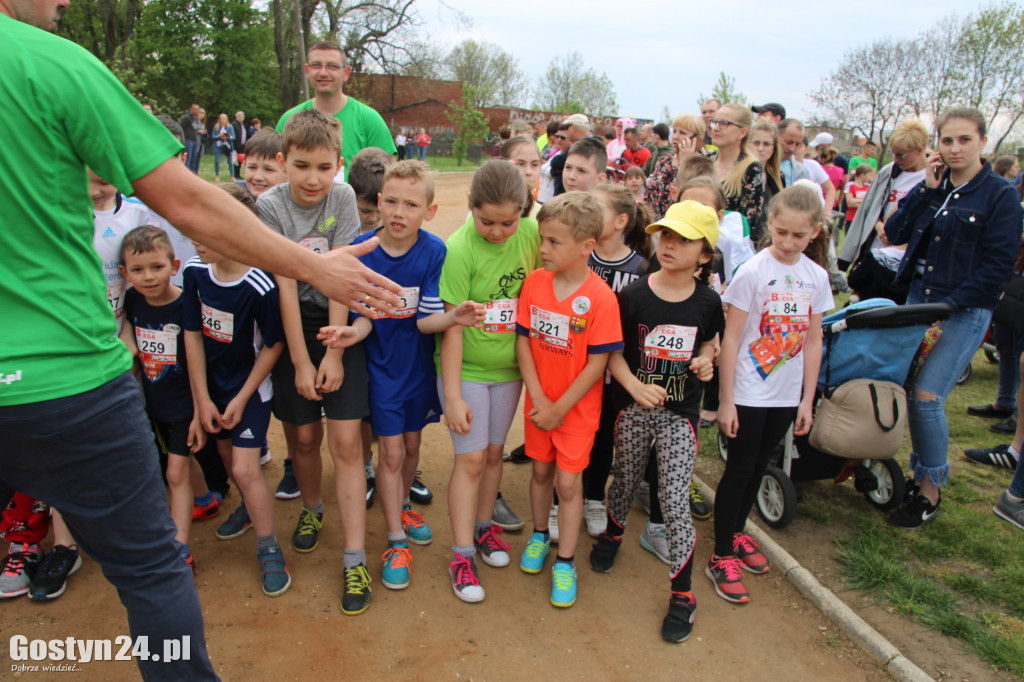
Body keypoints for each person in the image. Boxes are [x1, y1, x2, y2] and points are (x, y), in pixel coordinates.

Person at [0, 4, 403, 678]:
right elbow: (183, 200)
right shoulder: (48, 61)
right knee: (152, 573)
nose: (67, 4)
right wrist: (314, 264)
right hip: (61, 374)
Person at [319, 160, 484, 592]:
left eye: (411, 204)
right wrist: (347, 334)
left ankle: (405, 505)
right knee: (390, 455)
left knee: (412, 447)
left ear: (428, 211)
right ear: (377, 202)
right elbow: (366, 318)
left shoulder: (434, 252)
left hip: (418, 369)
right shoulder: (362, 249)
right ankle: (395, 540)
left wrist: (454, 318)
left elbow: (427, 322)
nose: (398, 212)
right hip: (381, 371)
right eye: (390, 201)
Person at [255, 110, 379, 614]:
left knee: (347, 441)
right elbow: (286, 281)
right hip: (291, 330)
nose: (313, 179)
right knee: (303, 437)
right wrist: (304, 362)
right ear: (283, 163)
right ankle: (311, 508)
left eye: (324, 167)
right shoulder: (269, 204)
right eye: (301, 166)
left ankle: (354, 558)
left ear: (339, 165)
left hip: (340, 317)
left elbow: (341, 275)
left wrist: (334, 352)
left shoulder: (344, 197)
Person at [885, 107, 1023, 530]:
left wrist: (951, 305)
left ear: (983, 142)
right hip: (917, 301)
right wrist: (927, 190)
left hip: (964, 309)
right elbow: (895, 232)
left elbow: (999, 263)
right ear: (937, 146)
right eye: (947, 140)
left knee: (928, 398)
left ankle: (931, 490)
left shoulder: (999, 195)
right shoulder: (936, 188)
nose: (955, 148)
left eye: (964, 140)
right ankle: (918, 475)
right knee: (909, 394)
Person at [591, 199, 722, 643]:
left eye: (683, 240)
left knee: (672, 496)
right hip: (633, 410)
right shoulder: (634, 295)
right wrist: (634, 388)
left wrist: (705, 361)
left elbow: (710, 344)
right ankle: (612, 534)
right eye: (666, 234)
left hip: (680, 417)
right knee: (625, 479)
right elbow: (612, 355)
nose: (669, 244)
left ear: (704, 255)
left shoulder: (708, 301)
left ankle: (683, 595)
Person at [712, 184, 834, 604]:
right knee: (741, 469)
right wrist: (726, 400)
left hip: (785, 395)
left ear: (814, 232)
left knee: (760, 464)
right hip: (747, 390)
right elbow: (731, 339)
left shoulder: (816, 278)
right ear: (770, 225)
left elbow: (814, 340)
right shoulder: (752, 271)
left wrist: (806, 398)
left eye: (798, 236)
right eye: (780, 232)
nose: (787, 242)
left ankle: (738, 533)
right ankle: (721, 552)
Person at [439, 161, 540, 603]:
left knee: (495, 453)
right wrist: (453, 394)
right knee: (471, 461)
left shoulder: (532, 236)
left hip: (510, 371)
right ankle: (461, 554)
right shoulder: (460, 248)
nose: (498, 232)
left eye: (508, 222)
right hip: (471, 372)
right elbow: (453, 328)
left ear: (524, 210)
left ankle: (484, 528)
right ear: (470, 208)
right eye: (487, 222)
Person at [516, 191, 623, 608]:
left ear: (587, 247)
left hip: (575, 413)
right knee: (540, 474)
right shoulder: (534, 283)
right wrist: (541, 399)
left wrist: (560, 408)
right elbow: (523, 343)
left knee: (567, 482)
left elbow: (599, 364)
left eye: (554, 242)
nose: (542, 248)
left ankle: (565, 562)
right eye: (542, 238)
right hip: (538, 407)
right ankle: (540, 535)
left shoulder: (601, 298)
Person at [184, 184, 287, 599]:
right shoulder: (193, 271)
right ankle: (247, 507)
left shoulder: (260, 284)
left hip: (251, 391)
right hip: (212, 391)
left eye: (207, 230)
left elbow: (273, 345)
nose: (196, 238)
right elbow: (191, 334)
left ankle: (269, 548)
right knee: (226, 456)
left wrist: (242, 397)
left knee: (246, 468)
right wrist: (202, 398)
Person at [118, 226, 206, 575]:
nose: (148, 277)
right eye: (137, 270)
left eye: (156, 267)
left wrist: (200, 409)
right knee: (178, 464)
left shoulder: (187, 305)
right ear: (124, 274)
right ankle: (206, 499)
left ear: (175, 265)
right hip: (155, 404)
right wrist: (128, 348)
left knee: (173, 472)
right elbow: (128, 328)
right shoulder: (133, 300)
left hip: (185, 406)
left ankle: (179, 547)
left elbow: (200, 361)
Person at [581, 184, 653, 539]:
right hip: (576, 369)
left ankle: (594, 497)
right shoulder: (581, 256)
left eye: (599, 209)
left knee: (603, 437)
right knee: (572, 432)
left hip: (617, 373)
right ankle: (559, 499)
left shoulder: (641, 268)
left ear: (621, 220)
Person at [276, 39, 397, 180]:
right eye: (316, 65)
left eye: (332, 66)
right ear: (307, 71)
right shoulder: (289, 119)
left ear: (346, 72)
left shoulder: (369, 119)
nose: (323, 73)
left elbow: (391, 178)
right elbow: (276, 172)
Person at [837, 119, 929, 271]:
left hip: (906, 260)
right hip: (877, 251)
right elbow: (870, 208)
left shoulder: (932, 178)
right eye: (893, 153)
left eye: (901, 155)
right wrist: (880, 226)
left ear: (920, 150)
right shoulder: (888, 172)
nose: (895, 159)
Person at [710, 103, 765, 243]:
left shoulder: (751, 169)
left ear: (742, 133)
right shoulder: (706, 161)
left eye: (724, 123)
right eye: (715, 122)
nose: (716, 128)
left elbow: (748, 223)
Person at [647, 113, 707, 221]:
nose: (675, 137)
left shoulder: (704, 165)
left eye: (682, 133)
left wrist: (685, 163)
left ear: (696, 138)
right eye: (674, 131)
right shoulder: (664, 161)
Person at [501, 134, 543, 216]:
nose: (528, 172)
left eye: (534, 165)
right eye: (520, 164)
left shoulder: (541, 214)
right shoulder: (487, 209)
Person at [240, 129, 286, 201]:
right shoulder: (233, 198)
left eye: (268, 169)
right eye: (252, 167)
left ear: (287, 172)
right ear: (244, 166)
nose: (258, 177)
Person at [749, 119, 783, 214]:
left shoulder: (778, 178)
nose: (760, 148)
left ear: (774, 148)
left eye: (766, 144)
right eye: (756, 143)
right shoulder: (738, 173)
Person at [212, 112, 236, 181]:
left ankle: (232, 176)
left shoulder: (230, 127)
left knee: (230, 161)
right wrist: (219, 136)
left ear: (226, 120)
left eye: (224, 119)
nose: (222, 120)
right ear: (219, 120)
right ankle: (217, 175)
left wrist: (227, 137)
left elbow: (233, 137)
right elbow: (213, 136)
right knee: (217, 161)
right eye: (221, 119)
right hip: (218, 145)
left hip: (227, 146)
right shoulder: (216, 127)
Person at [180, 103, 202, 174]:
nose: (195, 111)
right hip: (188, 140)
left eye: (197, 110)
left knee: (194, 158)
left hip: (194, 139)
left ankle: (193, 173)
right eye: (194, 109)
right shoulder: (187, 118)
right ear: (191, 109)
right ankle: (186, 173)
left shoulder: (196, 119)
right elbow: (181, 127)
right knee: (188, 158)